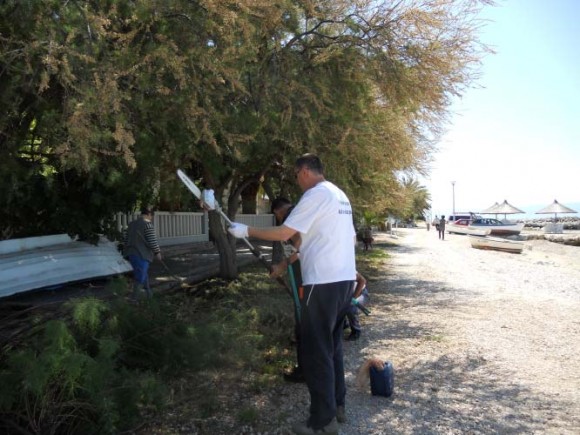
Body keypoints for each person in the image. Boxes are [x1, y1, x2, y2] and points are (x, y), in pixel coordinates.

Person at [228, 154, 356, 435]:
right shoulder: (339, 195)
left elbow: (285, 233)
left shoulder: (315, 195)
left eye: (297, 174)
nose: (297, 180)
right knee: (332, 347)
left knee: (315, 352)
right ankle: (337, 406)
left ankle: (322, 422)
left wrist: (245, 230)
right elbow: (339, 238)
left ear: (306, 171)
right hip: (343, 280)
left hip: (323, 283)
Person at [269, 197, 305, 383]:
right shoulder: (301, 212)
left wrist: (282, 266)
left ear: (277, 211)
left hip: (304, 279)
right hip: (311, 276)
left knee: (303, 323)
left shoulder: (292, 217)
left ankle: (304, 371)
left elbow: (301, 247)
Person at [122, 207, 162, 299]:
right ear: (149, 214)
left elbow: (125, 239)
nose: (151, 218)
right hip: (141, 254)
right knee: (140, 277)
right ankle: (134, 299)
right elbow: (152, 241)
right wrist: (157, 252)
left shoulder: (131, 224)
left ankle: (149, 295)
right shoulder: (147, 224)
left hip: (131, 253)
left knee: (143, 274)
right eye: (152, 216)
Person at [344, 272, 368, 341]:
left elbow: (363, 281)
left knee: (351, 308)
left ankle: (356, 330)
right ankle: (344, 325)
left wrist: (354, 298)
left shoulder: (348, 269)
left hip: (360, 293)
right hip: (346, 295)